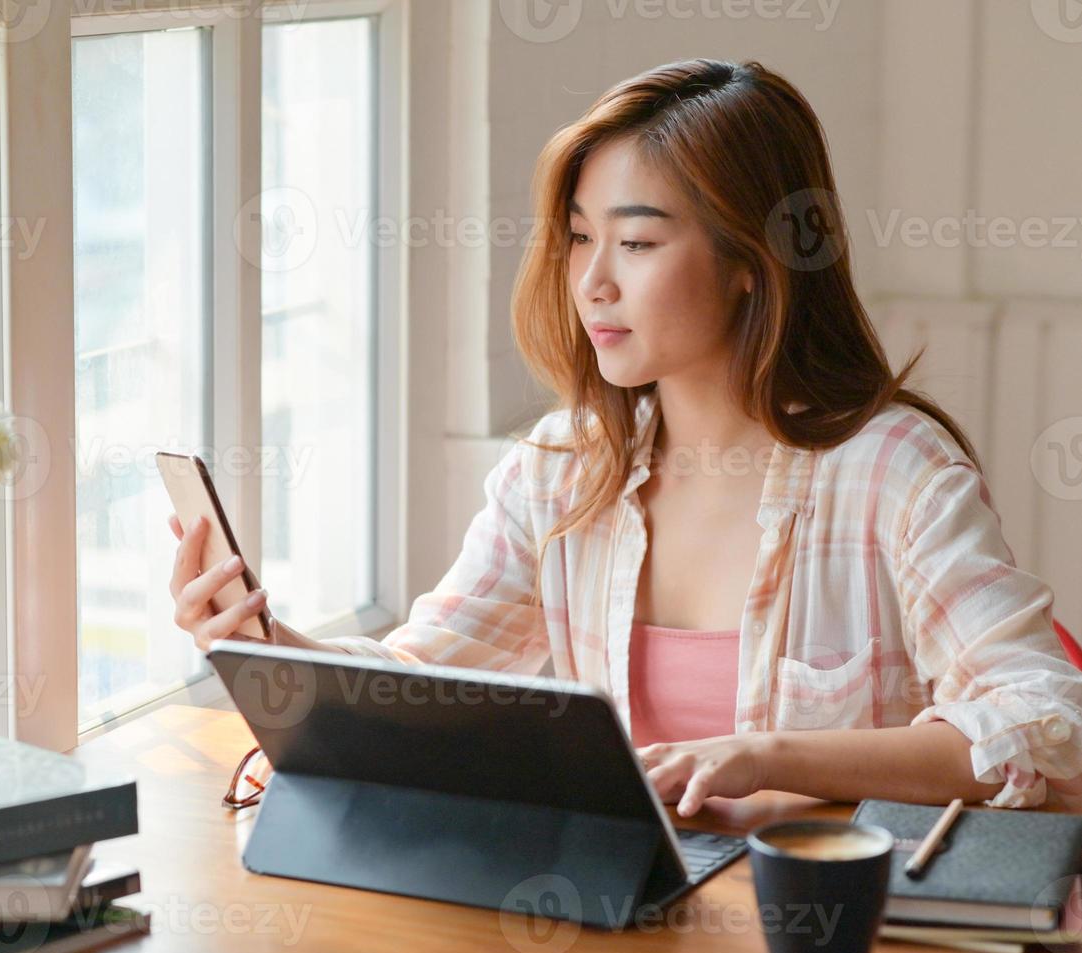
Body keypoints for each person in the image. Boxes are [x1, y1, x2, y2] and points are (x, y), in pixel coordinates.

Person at [168, 58, 1082, 816]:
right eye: (575, 238)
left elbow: (1048, 726)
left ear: (750, 265)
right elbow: (421, 681)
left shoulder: (894, 473)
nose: (591, 283)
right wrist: (260, 638)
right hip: (630, 909)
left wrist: (763, 755)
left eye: (637, 245)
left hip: (829, 922)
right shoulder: (561, 470)